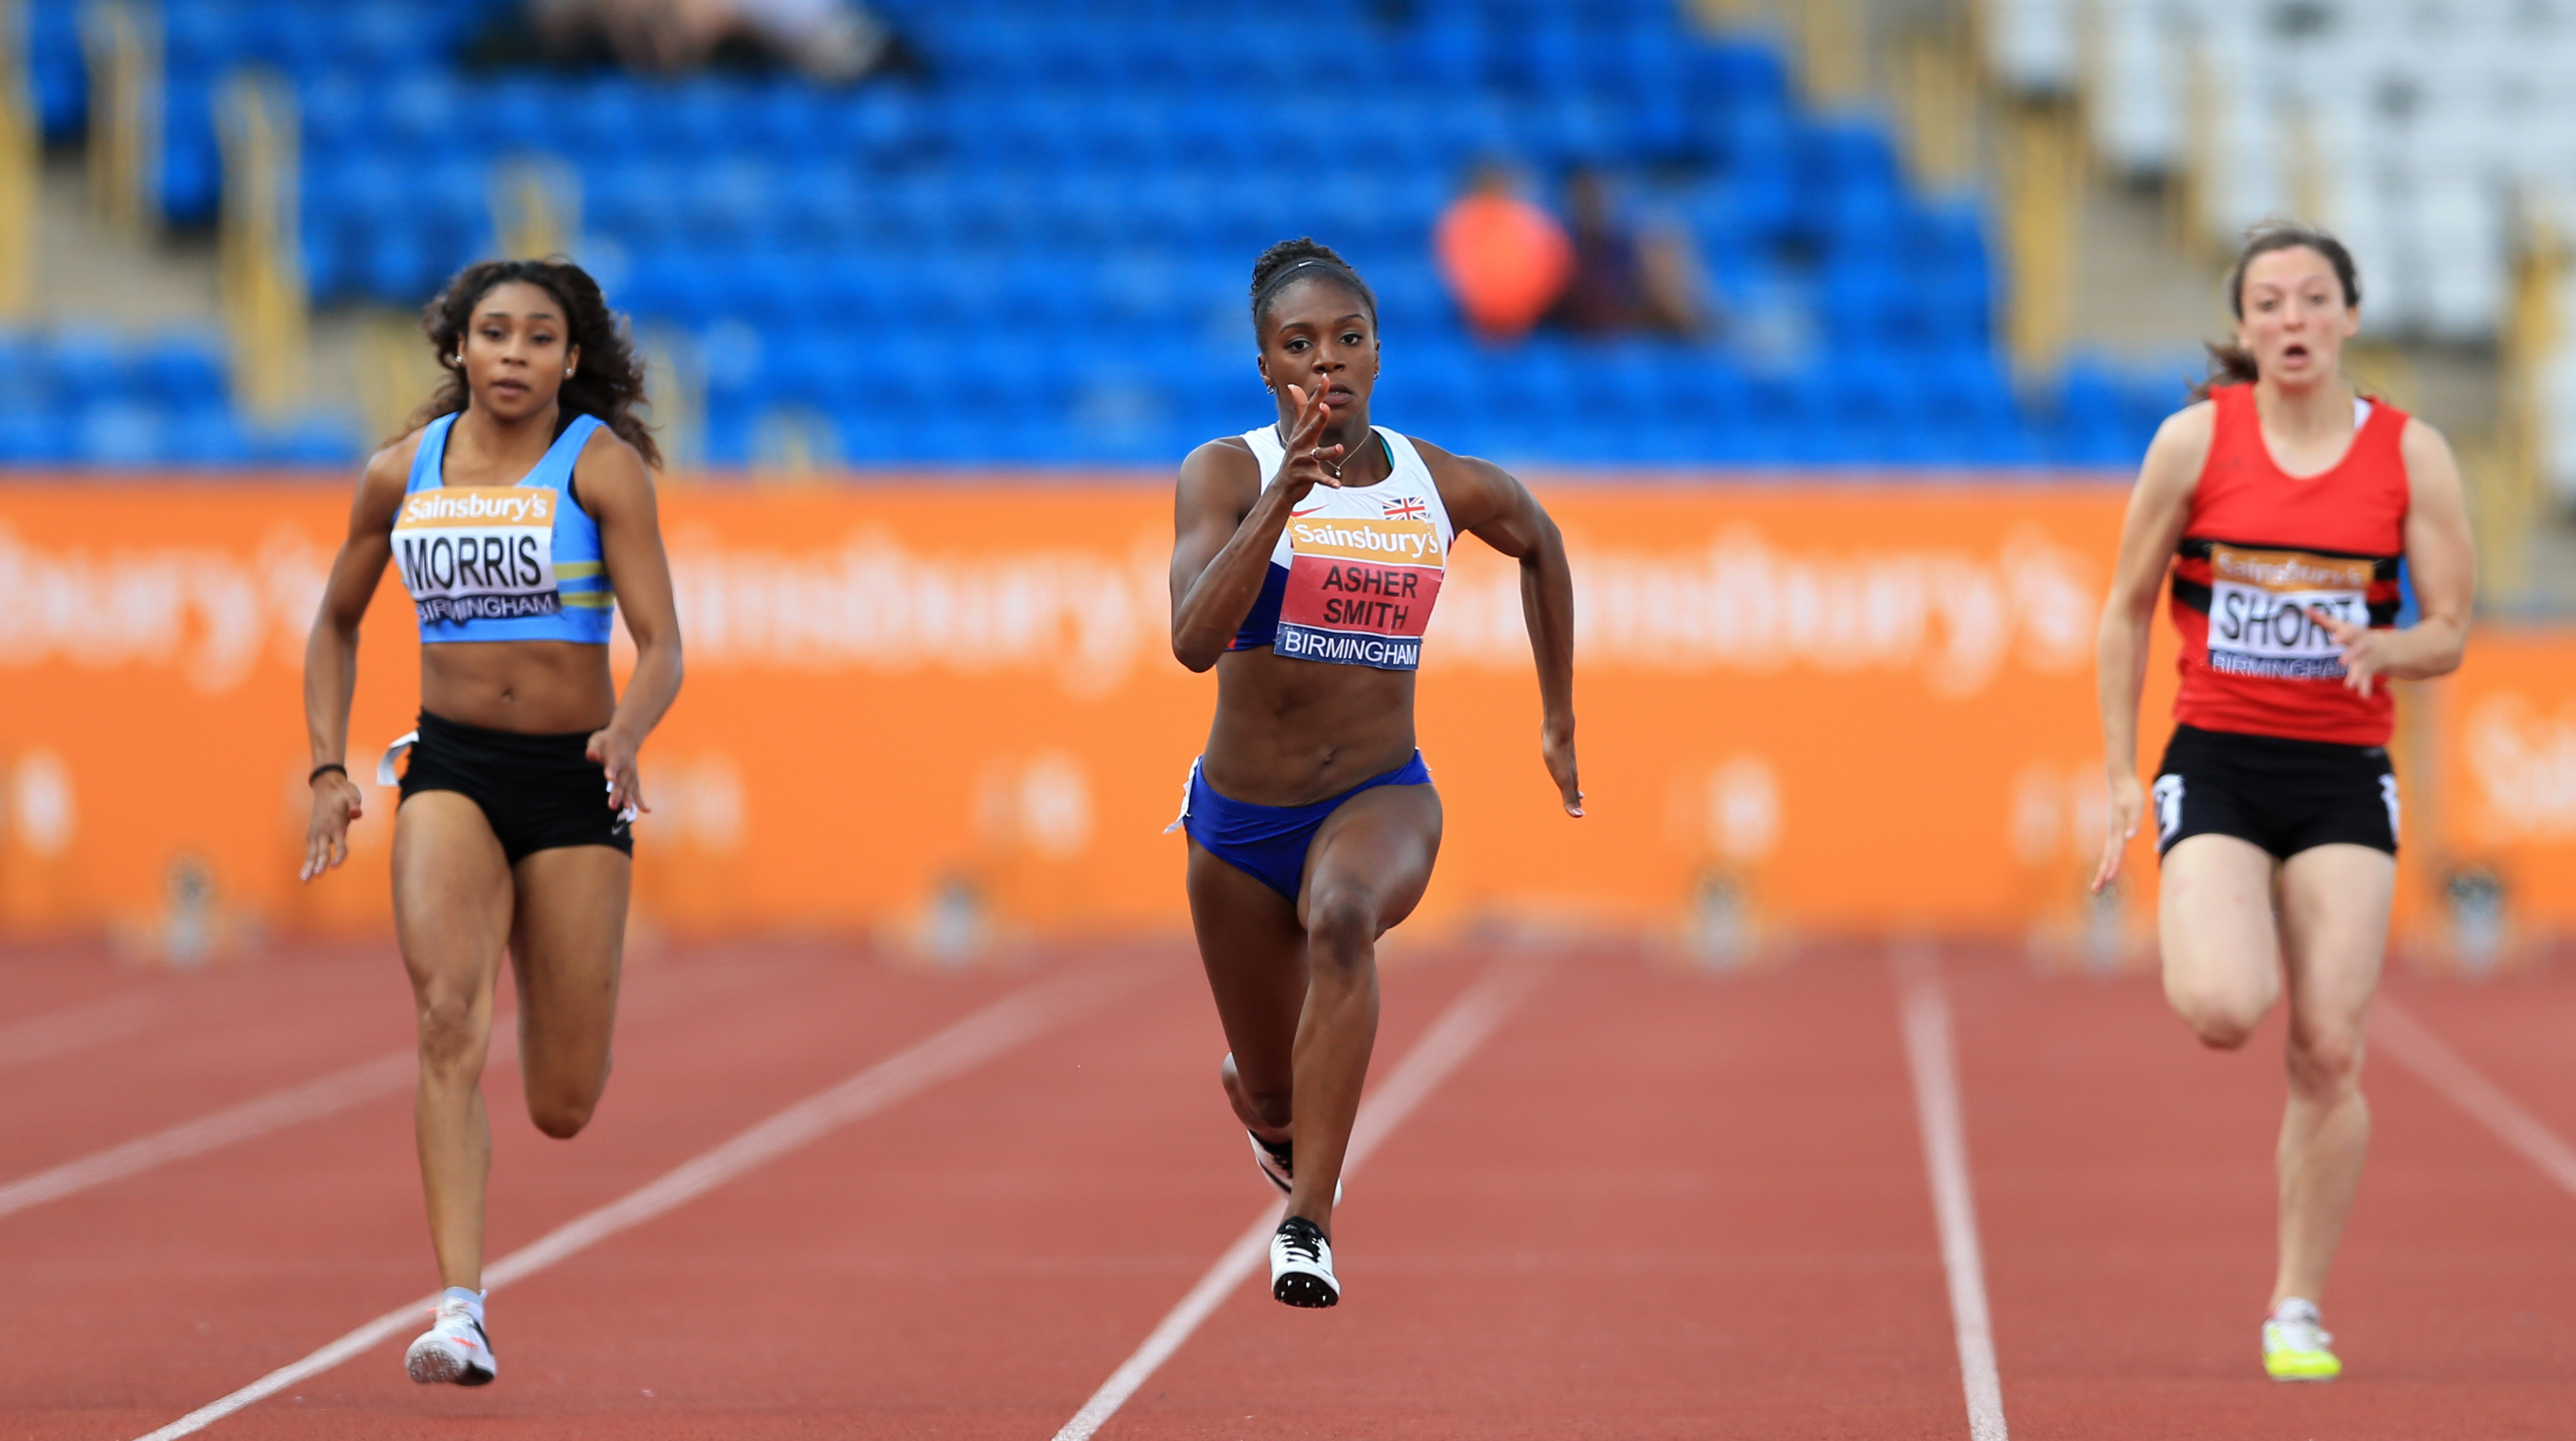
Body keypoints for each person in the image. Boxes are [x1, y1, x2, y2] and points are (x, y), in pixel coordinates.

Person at [1168, 238, 1582, 1307]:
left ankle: (1307, 1223)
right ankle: (1267, 1110)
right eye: (1298, 346)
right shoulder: (1225, 474)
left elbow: (1536, 537)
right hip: (1237, 832)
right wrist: (1281, 503)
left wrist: (1556, 712)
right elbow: (1189, 641)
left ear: (1379, 351)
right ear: (1264, 366)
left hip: (1377, 796)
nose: (1327, 363)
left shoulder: (1430, 481)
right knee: (1271, 1098)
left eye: (1348, 339)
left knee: (1344, 919)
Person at [2091, 222, 2473, 1381]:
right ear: (2246, 326)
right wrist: (2120, 774)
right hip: (2216, 755)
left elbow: (2451, 629)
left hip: (2343, 772)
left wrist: (2388, 647)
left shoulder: (2414, 457)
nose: (2293, 320)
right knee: (2223, 1004)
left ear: (2350, 315)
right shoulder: (2195, 443)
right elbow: (2125, 609)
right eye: (2270, 302)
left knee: (2330, 1046)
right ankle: (2220, 919)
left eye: (2315, 298)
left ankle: (2296, 1304)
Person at [299, 258, 683, 1386]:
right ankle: (458, 1307)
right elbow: (333, 621)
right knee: (444, 1016)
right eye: (494, 334)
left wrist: (628, 732)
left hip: (573, 784)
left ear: (574, 359)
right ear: (456, 348)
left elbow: (661, 645)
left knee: (562, 1100)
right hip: (451, 769)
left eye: (538, 338)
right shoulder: (398, 475)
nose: (514, 355)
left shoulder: (601, 470)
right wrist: (329, 764)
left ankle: (551, 989)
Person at [1433, 162, 1575, 343]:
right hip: (1472, 325)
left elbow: (1555, 269)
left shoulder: (1534, 223)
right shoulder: (1458, 224)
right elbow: (1458, 278)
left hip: (1533, 322)